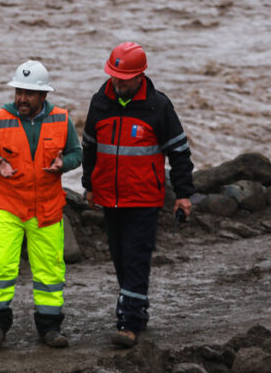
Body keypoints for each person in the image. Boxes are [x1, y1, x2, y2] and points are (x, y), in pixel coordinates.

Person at [81, 42, 194, 348]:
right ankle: (137, 310)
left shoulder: (158, 106)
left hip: (144, 199)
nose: (117, 82)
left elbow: (180, 151)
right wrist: (88, 184)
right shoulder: (99, 102)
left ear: (140, 75)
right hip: (108, 197)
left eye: (124, 78)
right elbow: (89, 146)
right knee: (120, 257)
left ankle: (128, 323)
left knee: (135, 257)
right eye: (114, 76)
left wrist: (183, 194)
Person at [0, 60, 82, 348]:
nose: (22, 98)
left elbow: (76, 153)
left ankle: (49, 327)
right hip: (8, 206)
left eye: (29, 93)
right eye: (18, 92)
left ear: (43, 96)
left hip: (47, 209)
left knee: (50, 269)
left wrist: (64, 164)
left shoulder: (61, 120)